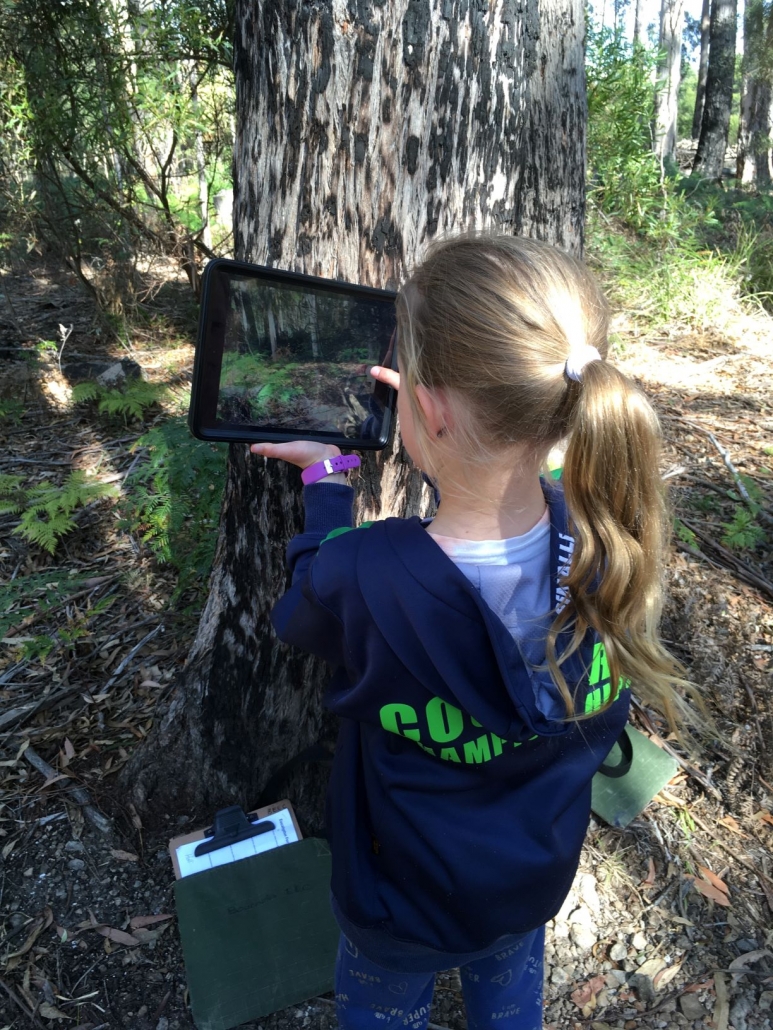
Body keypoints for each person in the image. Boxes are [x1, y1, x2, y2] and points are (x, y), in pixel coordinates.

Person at [250, 233, 689, 1030]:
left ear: (423, 405)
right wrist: (448, 416)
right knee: (507, 995)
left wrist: (325, 479)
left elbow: (305, 601)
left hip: (399, 904)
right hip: (528, 880)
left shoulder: (363, 572)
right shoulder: (604, 539)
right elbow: (536, 477)